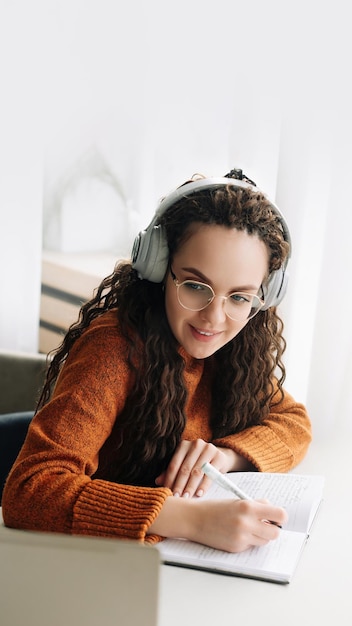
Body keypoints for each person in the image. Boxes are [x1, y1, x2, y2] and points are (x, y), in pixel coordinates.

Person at [2, 168, 312, 554]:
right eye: (196, 286)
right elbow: (31, 491)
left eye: (239, 297)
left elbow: (294, 421)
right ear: (159, 267)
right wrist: (193, 520)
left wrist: (226, 455)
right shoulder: (114, 349)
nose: (214, 318)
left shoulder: (235, 346)